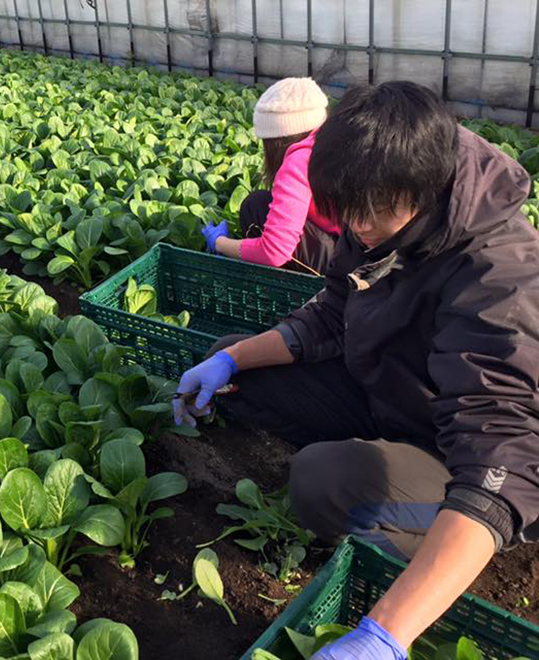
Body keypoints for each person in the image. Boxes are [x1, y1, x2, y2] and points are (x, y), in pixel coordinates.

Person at [175, 81, 539, 659]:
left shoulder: (500, 277)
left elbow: (499, 455)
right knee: (242, 368)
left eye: (369, 215)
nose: (356, 227)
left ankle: (442, 554)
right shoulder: (380, 206)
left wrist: (385, 634)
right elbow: (331, 314)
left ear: (420, 189)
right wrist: (229, 360)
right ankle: (381, 476)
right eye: (348, 213)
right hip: (393, 392)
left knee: (321, 481)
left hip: (463, 453)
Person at [201, 77, 340, 274]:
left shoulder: (299, 160)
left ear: (275, 139)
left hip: (341, 264)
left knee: (254, 208)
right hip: (365, 254)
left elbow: (273, 252)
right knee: (259, 202)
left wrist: (220, 242)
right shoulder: (333, 141)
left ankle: (289, 282)